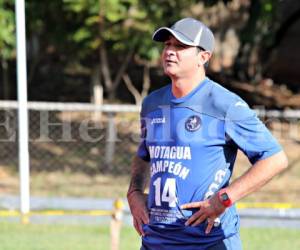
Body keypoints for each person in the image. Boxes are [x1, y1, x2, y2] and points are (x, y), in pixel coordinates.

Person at [127, 17, 288, 250]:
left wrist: (224, 199)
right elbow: (144, 155)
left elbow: (274, 159)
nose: (170, 52)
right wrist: (133, 192)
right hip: (156, 242)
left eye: (181, 46)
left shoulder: (224, 105)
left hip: (209, 242)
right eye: (167, 45)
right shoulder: (152, 103)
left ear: (203, 57)